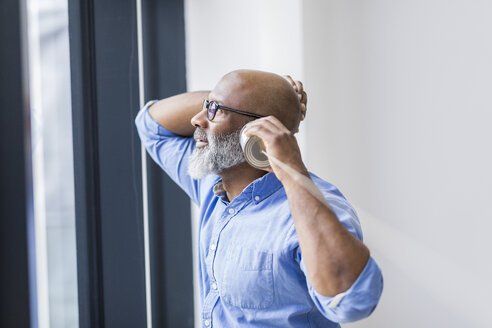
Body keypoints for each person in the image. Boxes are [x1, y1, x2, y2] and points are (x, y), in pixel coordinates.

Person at [135, 69, 383, 327]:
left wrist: (291, 170)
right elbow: (151, 125)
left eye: (214, 111)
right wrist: (224, 98)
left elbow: (353, 303)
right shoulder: (212, 184)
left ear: (254, 135)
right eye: (206, 106)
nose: (196, 119)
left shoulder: (318, 205)